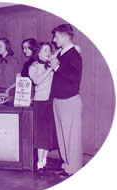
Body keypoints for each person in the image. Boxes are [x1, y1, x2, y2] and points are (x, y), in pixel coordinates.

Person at [49, 24, 83, 179]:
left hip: (69, 100)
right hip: (59, 99)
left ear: (63, 36)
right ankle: (66, 166)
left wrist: (57, 68)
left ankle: (73, 169)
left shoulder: (74, 55)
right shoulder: (63, 53)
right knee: (63, 137)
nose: (54, 40)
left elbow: (75, 78)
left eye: (56, 36)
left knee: (71, 137)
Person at [29, 42, 58, 179]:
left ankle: (44, 162)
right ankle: (39, 165)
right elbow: (37, 81)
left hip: (51, 102)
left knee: (47, 136)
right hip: (40, 103)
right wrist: (50, 69)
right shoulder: (33, 66)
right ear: (38, 53)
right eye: (45, 50)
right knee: (41, 136)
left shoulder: (51, 63)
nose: (48, 52)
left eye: (49, 50)